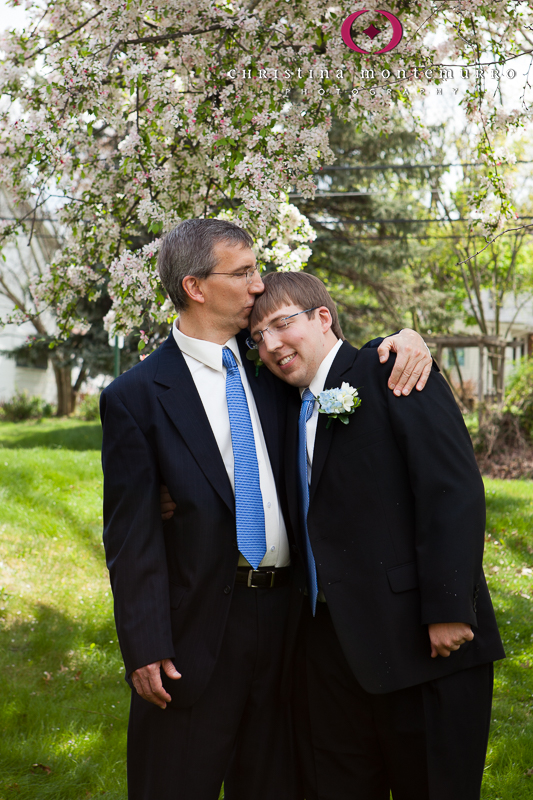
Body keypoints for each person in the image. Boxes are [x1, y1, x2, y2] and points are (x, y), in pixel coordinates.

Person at [100, 218, 432, 800]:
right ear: (196, 287)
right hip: (196, 628)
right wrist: (145, 642)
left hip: (288, 629)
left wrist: (405, 338)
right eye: (245, 272)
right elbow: (131, 536)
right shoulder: (135, 397)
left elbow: (334, 361)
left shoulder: (271, 374)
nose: (259, 286)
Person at [248, 270, 505, 800]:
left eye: (281, 324)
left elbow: (451, 489)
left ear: (323, 318)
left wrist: (450, 607)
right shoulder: (278, 405)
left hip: (422, 642)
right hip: (327, 657)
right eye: (258, 337)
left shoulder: (392, 368)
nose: (271, 345)